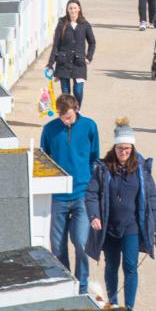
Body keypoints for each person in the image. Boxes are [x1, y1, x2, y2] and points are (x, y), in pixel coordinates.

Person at [85, 118, 156, 310]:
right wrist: (94, 216)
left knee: (130, 267)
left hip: (132, 227)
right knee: (111, 266)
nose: (123, 152)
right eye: (120, 148)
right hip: (109, 227)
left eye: (127, 149)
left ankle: (128, 307)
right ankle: (113, 303)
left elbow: (151, 198)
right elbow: (91, 194)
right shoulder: (103, 168)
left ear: (133, 148)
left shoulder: (142, 169)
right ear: (114, 147)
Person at [40, 94, 99, 295]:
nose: (65, 120)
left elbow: (94, 157)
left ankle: (82, 285)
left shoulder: (90, 126)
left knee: (81, 242)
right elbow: (44, 159)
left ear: (77, 109)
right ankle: (65, 283)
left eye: (69, 117)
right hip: (58, 196)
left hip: (82, 194)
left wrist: (91, 186)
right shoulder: (49, 129)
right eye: (62, 117)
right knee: (57, 246)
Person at [45, 0, 96, 107]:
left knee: (78, 90)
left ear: (79, 9)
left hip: (79, 63)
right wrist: (50, 63)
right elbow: (56, 45)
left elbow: (92, 42)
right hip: (63, 63)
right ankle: (67, 114)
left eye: (74, 8)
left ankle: (77, 110)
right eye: (70, 8)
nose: (72, 10)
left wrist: (88, 57)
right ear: (67, 10)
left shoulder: (85, 24)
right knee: (65, 93)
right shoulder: (62, 24)